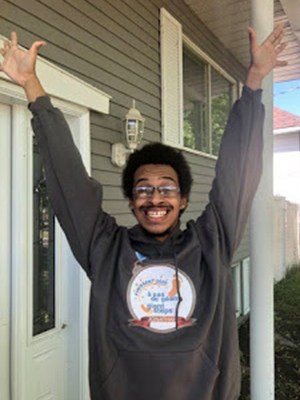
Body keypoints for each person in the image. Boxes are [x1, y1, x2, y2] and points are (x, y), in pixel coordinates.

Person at [0, 24, 287, 400]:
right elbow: (69, 181)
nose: (155, 198)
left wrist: (253, 82)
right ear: (132, 202)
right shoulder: (105, 250)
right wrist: (32, 88)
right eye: (144, 190)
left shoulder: (211, 245)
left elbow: (237, 173)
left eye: (166, 188)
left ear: (183, 199)